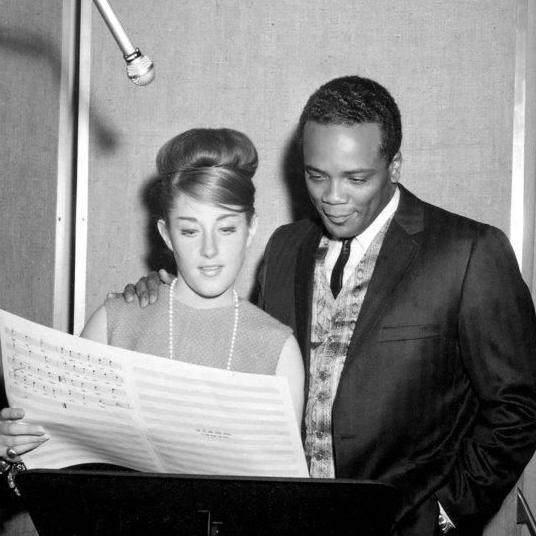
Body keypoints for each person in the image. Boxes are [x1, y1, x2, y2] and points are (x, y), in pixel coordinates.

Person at [120, 77, 536, 536]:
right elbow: (246, 363)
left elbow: (519, 405)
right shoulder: (284, 246)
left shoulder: (470, 251)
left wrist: (448, 513)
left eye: (356, 178)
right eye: (316, 176)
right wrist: (163, 294)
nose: (333, 197)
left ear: (394, 165)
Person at [0, 128, 304, 479]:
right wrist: (14, 449)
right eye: (190, 231)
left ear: (251, 229)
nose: (209, 250)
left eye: (226, 229)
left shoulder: (278, 349)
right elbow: (62, 469)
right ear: (166, 234)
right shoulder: (113, 323)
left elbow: (282, 493)